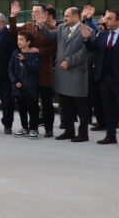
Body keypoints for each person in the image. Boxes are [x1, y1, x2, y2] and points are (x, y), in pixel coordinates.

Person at [36, 8, 94, 142]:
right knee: (65, 104)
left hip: (76, 72)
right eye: (64, 15)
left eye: (67, 16)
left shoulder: (87, 31)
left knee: (81, 106)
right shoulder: (62, 28)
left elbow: (86, 52)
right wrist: (40, 25)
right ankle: (69, 131)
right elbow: (50, 35)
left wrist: (69, 62)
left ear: (76, 17)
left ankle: (83, 134)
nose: (65, 18)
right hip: (62, 73)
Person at [81, 10, 119, 148]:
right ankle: (110, 135)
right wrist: (87, 39)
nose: (106, 21)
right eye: (106, 19)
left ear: (118, 21)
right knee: (108, 108)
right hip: (104, 77)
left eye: (109, 19)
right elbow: (94, 49)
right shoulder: (102, 34)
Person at [9, 1, 57, 137]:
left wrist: (38, 50)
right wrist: (13, 15)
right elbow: (13, 31)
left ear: (44, 14)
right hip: (27, 73)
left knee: (46, 102)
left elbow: (54, 49)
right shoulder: (28, 26)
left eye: (36, 12)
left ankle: (48, 128)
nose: (33, 14)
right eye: (32, 11)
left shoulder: (52, 28)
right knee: (29, 102)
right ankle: (30, 127)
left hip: (43, 70)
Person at [8, 31, 42, 139]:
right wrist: (15, 81)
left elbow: (35, 68)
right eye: (18, 39)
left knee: (32, 109)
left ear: (28, 42)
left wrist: (25, 60)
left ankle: (33, 128)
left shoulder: (33, 54)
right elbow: (10, 69)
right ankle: (24, 127)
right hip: (18, 87)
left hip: (30, 87)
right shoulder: (15, 53)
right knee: (21, 108)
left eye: (21, 40)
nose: (19, 42)